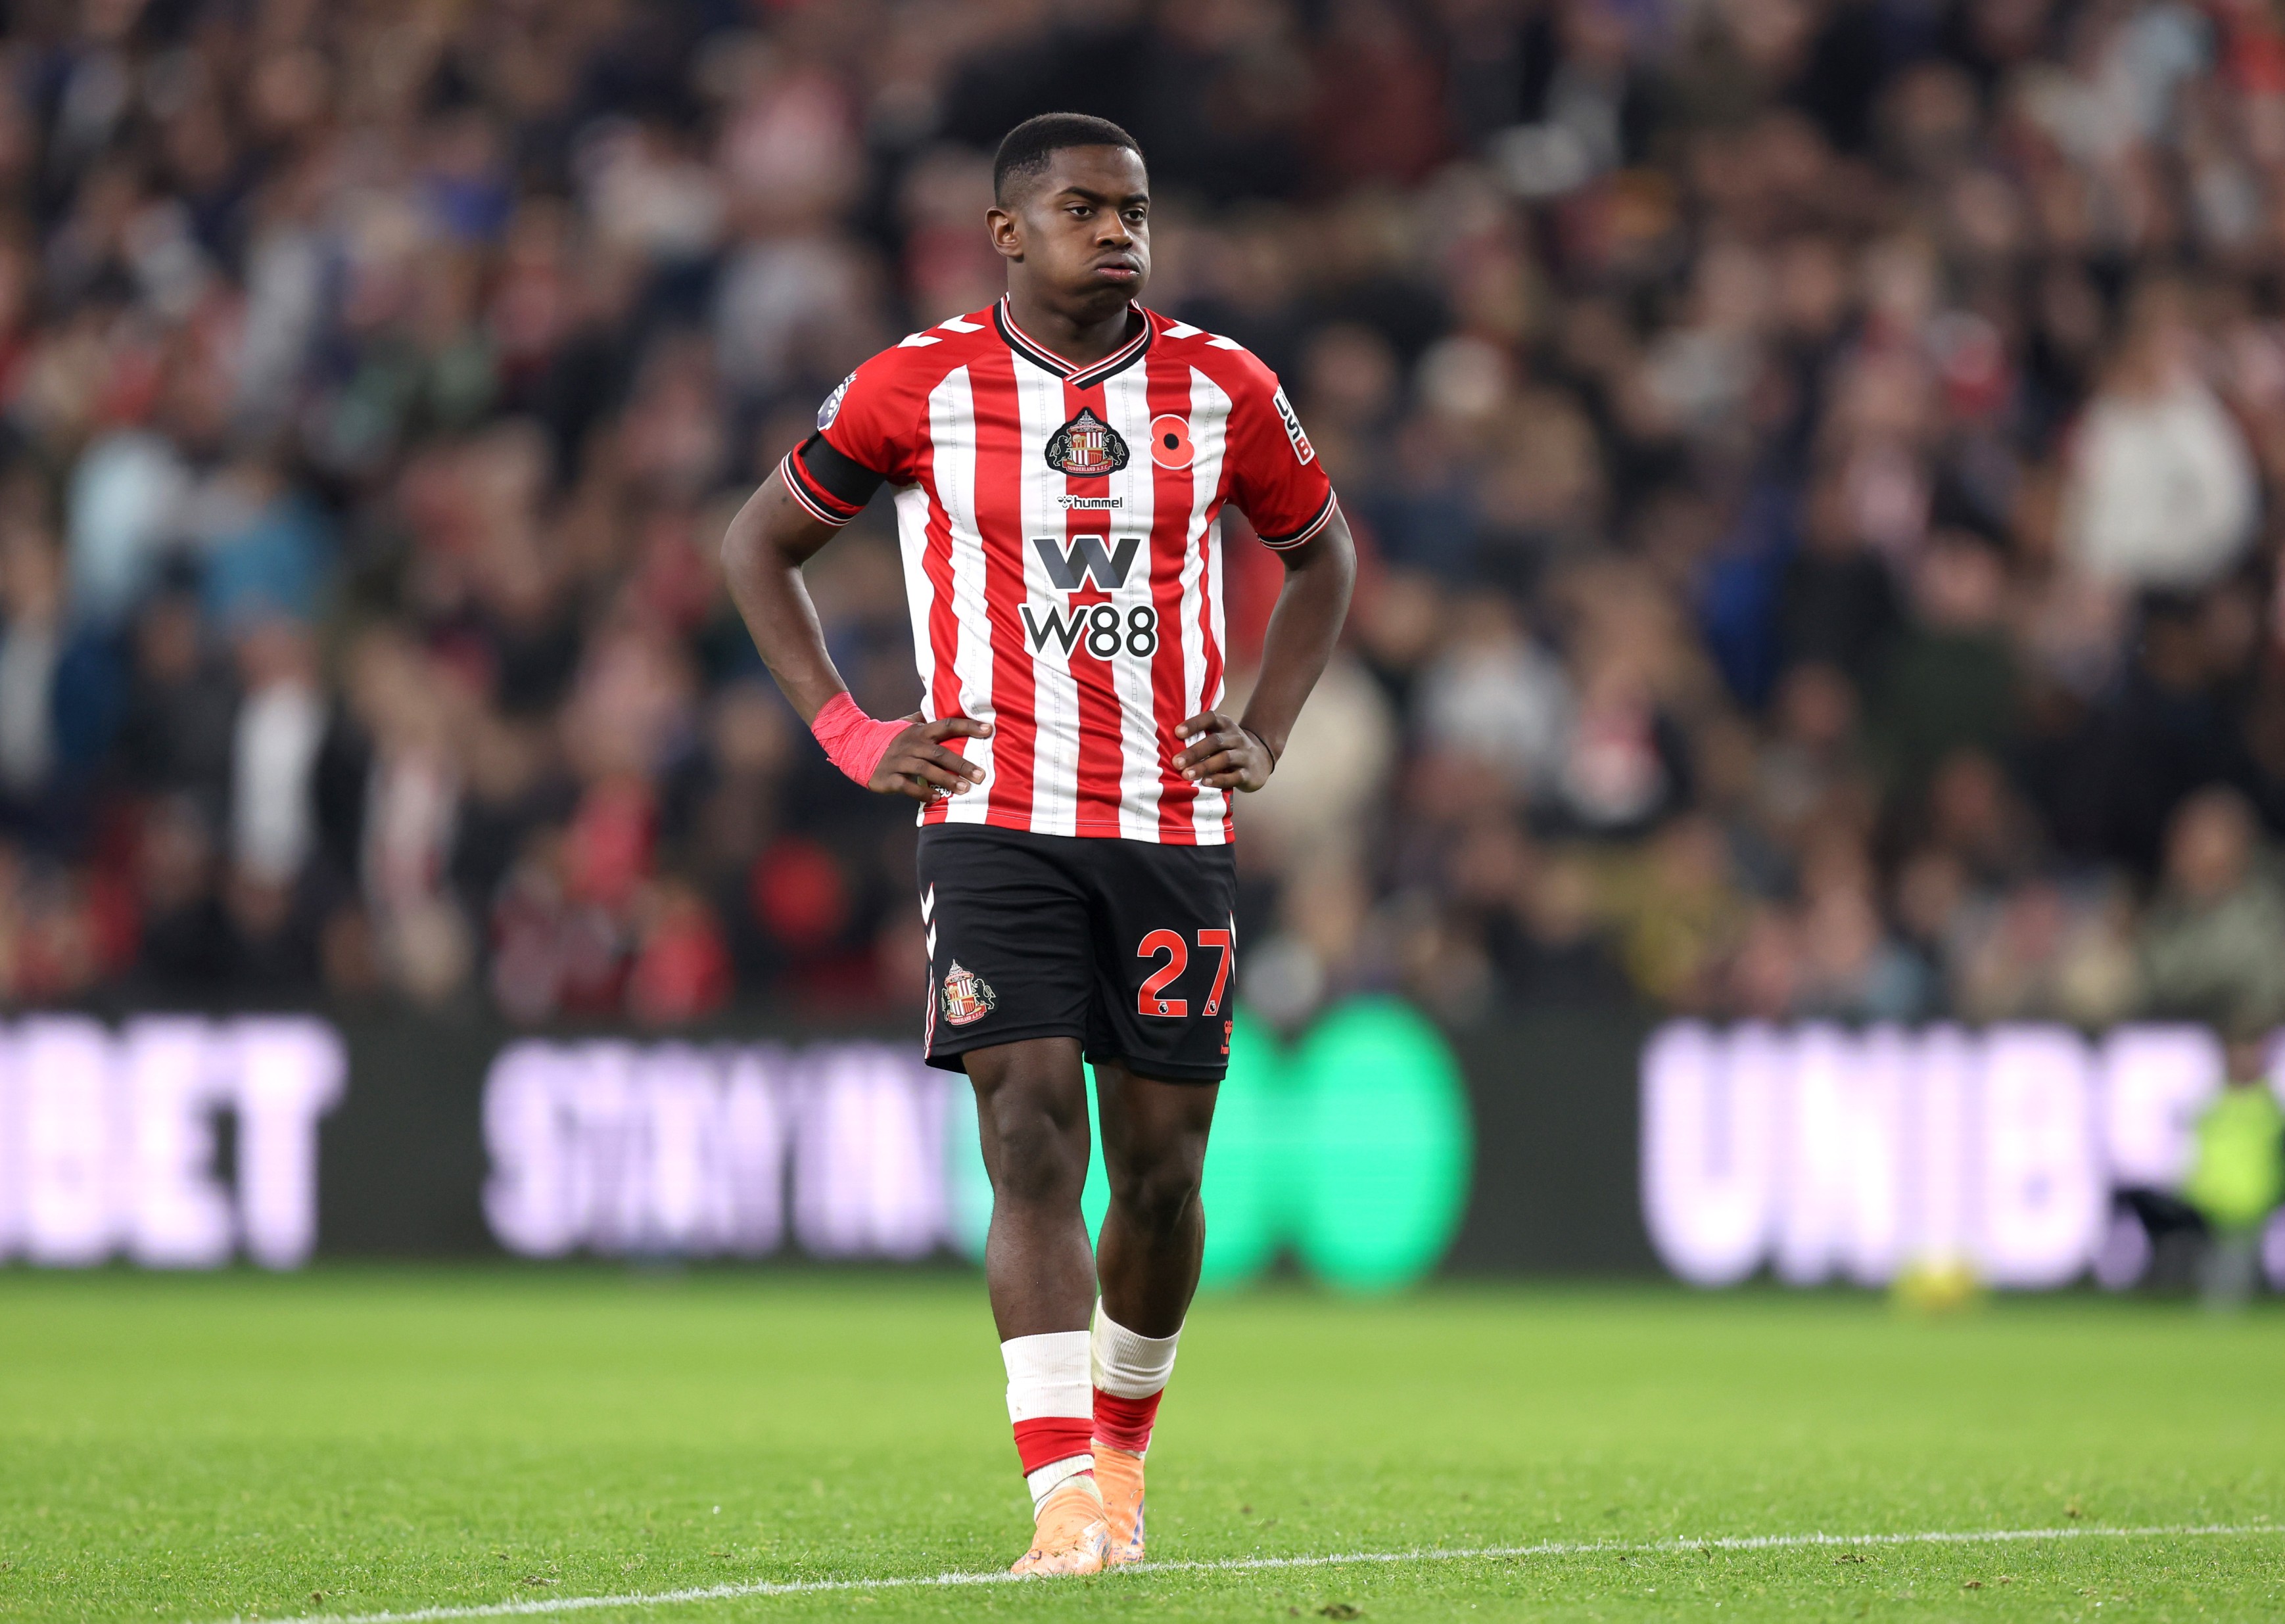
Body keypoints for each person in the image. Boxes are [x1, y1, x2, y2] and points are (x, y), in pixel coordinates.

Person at [720, 113, 1355, 1575]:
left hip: (1168, 822)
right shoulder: (917, 384)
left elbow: (1322, 555)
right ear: (1007, 233)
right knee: (1025, 1132)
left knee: (1162, 1174)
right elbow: (756, 544)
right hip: (992, 817)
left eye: (1134, 209)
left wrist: (1266, 729)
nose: (1118, 231)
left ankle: (1122, 1457)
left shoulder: (1227, 388)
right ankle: (1063, 1493)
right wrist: (852, 732)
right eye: (1083, 209)